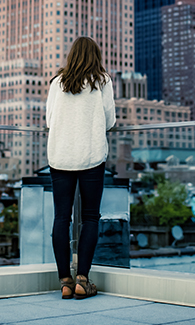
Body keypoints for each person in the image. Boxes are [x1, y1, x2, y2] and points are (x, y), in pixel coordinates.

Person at [46, 36, 116, 300]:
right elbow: (109, 120)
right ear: (95, 56)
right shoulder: (102, 81)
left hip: (60, 157)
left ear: (71, 55)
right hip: (91, 156)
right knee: (90, 217)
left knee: (61, 219)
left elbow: (50, 119)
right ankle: (82, 280)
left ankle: (65, 280)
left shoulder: (56, 82)